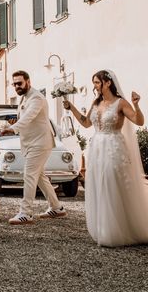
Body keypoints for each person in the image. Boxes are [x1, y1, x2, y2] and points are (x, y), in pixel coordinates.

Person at [63, 70, 148, 246]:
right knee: (98, 186)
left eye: (96, 82)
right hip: (97, 148)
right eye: (93, 82)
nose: (94, 86)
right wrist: (72, 108)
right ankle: (104, 229)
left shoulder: (120, 103)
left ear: (107, 83)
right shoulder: (96, 103)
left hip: (114, 147)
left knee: (112, 184)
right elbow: (86, 123)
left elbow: (138, 121)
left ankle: (120, 231)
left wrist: (136, 105)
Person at [2, 70, 65, 224]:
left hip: (40, 143)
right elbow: (26, 117)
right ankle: (57, 208)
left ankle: (26, 212)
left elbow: (29, 116)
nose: (17, 86)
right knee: (40, 177)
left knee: (29, 175)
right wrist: (14, 123)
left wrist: (13, 128)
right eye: (14, 84)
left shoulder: (36, 97)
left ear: (28, 82)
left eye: (19, 83)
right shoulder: (24, 97)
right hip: (32, 143)